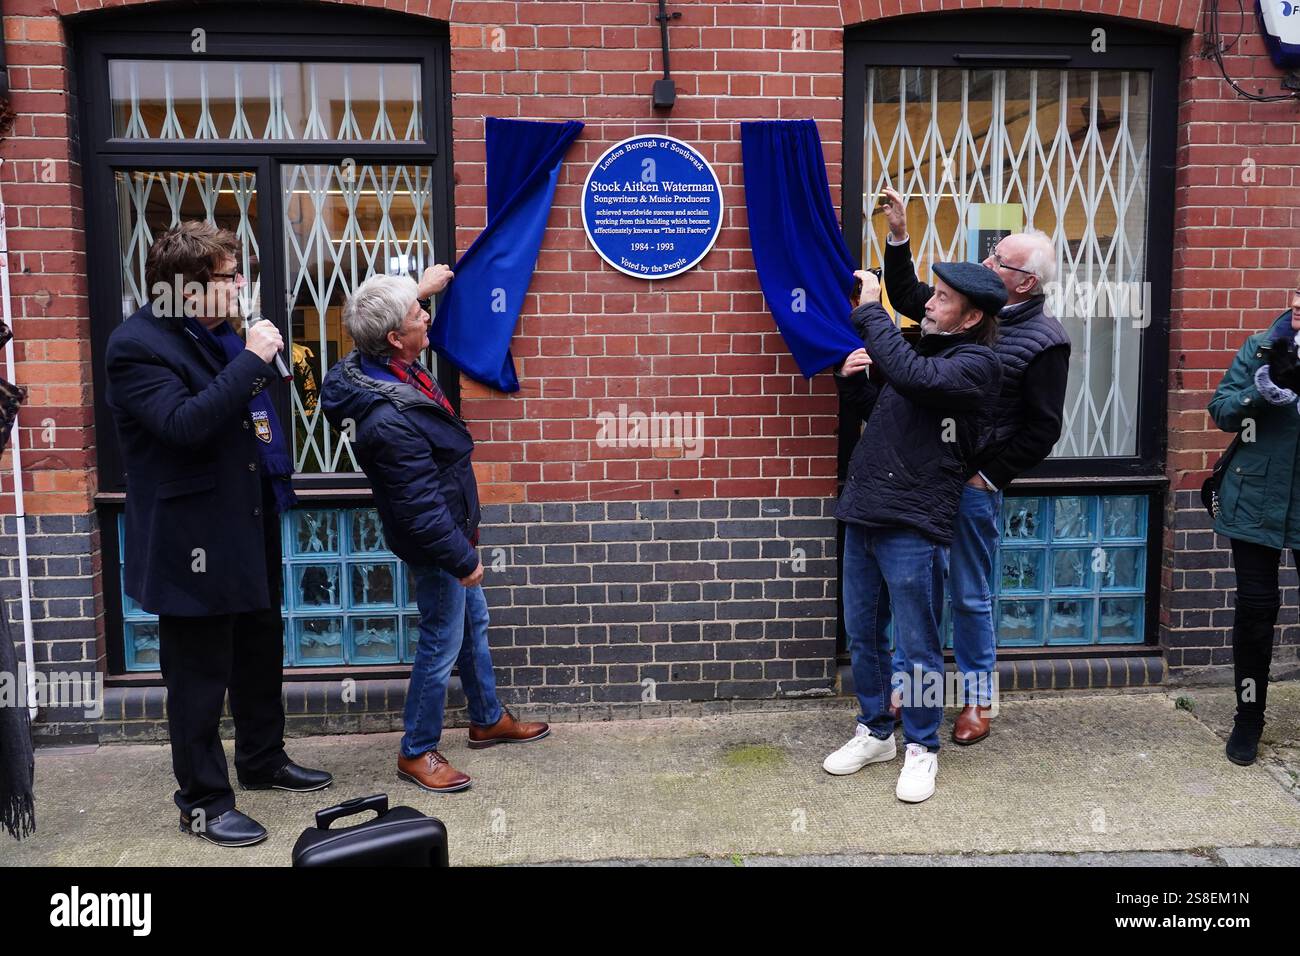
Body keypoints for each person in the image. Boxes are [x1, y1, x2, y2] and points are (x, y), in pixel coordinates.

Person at [105, 222, 332, 849]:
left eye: (237, 274)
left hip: (246, 520)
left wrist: (255, 361)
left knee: (259, 652)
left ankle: (263, 760)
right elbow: (183, 425)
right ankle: (202, 801)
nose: (240, 287)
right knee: (199, 677)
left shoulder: (217, 334)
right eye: (228, 277)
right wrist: (254, 358)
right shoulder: (137, 346)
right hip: (190, 538)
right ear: (185, 287)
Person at [321, 270, 549, 793]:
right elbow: (419, 507)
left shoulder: (376, 365)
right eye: (418, 316)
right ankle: (416, 750)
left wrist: (414, 294)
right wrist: (461, 558)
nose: (428, 317)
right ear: (396, 341)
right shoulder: (386, 419)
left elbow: (383, 331)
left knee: (474, 624)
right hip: (439, 539)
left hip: (452, 529)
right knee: (441, 643)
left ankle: (487, 718)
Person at [877, 188, 1071, 744]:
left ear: (1026, 282)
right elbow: (914, 296)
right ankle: (909, 693)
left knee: (968, 593)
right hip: (924, 477)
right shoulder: (969, 308)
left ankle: (978, 703)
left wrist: (986, 476)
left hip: (970, 486)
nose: (985, 264)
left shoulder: (1045, 341)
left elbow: (1043, 428)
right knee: (917, 590)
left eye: (997, 261)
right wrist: (898, 235)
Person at [823, 263, 1003, 803]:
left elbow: (912, 379)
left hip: (914, 521)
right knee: (864, 633)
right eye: (935, 294)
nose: (928, 303)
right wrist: (852, 381)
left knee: (918, 644)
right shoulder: (922, 353)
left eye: (942, 299)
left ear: (971, 318)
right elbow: (887, 411)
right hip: (867, 510)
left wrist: (872, 311)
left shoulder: (977, 364)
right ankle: (876, 732)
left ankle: (921, 747)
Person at [1207, 280, 1300, 765]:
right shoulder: (1261, 347)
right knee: (1255, 613)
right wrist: (1264, 391)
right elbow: (1222, 411)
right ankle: (1248, 718)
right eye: (1298, 295)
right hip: (1254, 496)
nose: (1298, 307)